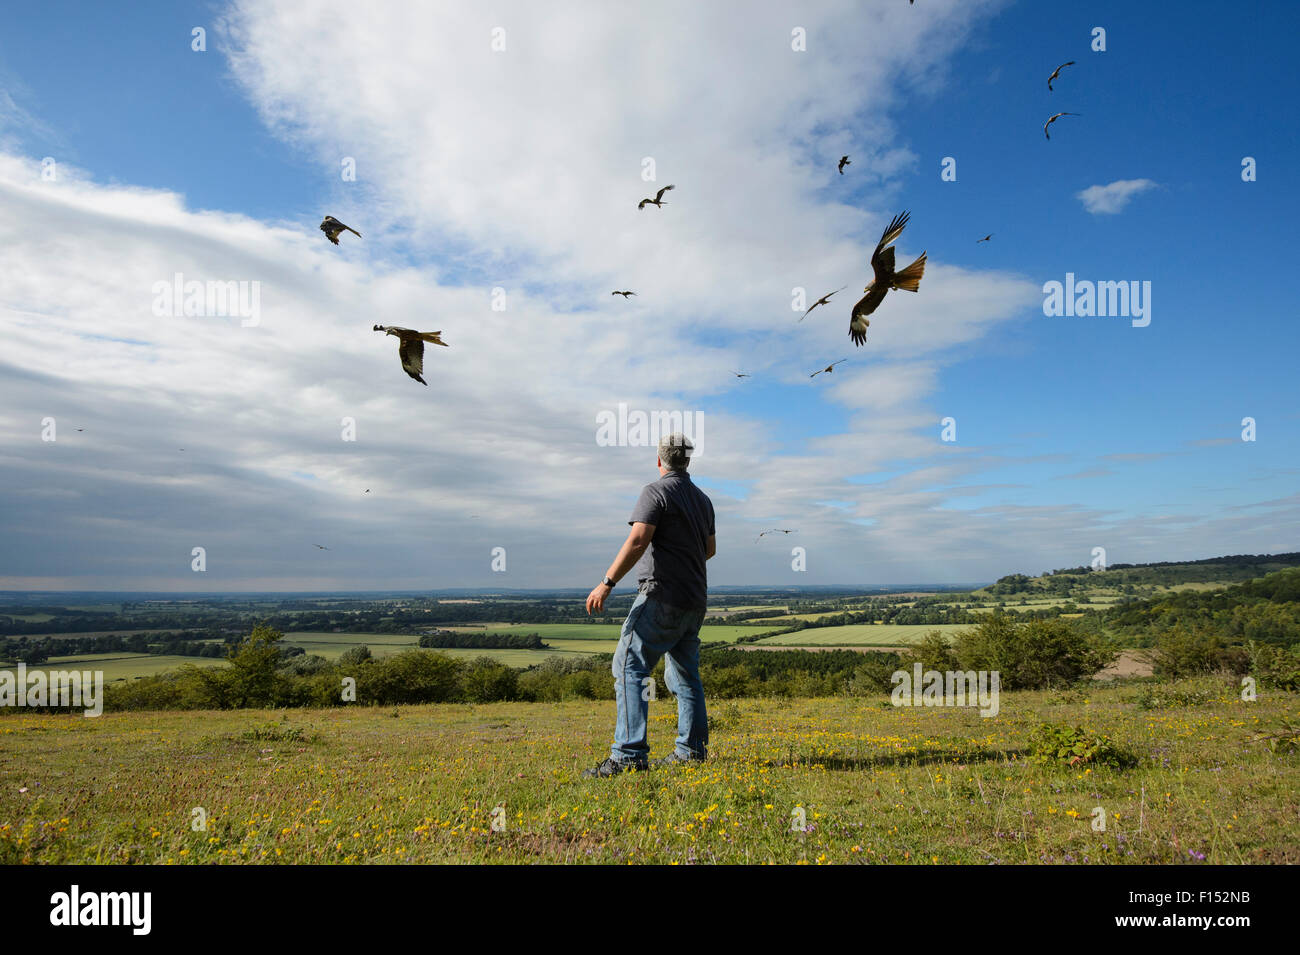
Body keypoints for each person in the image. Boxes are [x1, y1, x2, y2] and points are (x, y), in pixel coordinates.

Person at [582, 432, 716, 778]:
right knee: (686, 675)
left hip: (661, 595)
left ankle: (628, 756)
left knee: (629, 666)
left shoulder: (655, 492)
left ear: (659, 461)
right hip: (695, 599)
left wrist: (606, 582)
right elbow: (710, 550)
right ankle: (691, 752)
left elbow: (639, 539)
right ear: (688, 461)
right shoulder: (703, 501)